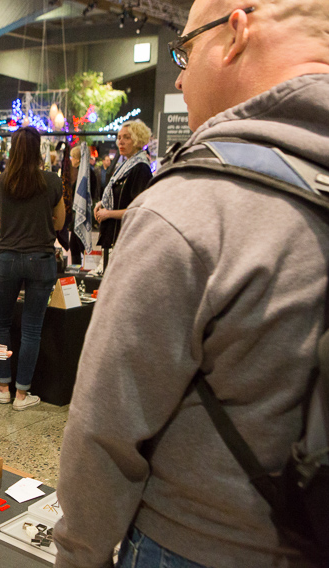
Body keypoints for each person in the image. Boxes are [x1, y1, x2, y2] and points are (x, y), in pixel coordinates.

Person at [53, 2, 329, 567]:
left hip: (192, 542)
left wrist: (77, 553)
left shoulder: (194, 205)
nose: (179, 76)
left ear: (235, 33)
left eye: (185, 49)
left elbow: (106, 427)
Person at [0, 127, 65, 411]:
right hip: (41, 260)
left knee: (1, 324)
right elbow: (60, 223)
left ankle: (2, 386)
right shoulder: (52, 182)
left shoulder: (1, 183)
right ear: (38, 149)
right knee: (32, 329)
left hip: (8, 259)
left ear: (13, 149)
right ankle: (22, 396)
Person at [93, 120, 153, 270]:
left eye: (126, 137)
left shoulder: (141, 168)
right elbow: (118, 196)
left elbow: (139, 210)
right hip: (113, 239)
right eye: (119, 137)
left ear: (138, 139)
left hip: (126, 242)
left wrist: (108, 213)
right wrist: (101, 204)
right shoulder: (125, 166)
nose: (121, 141)